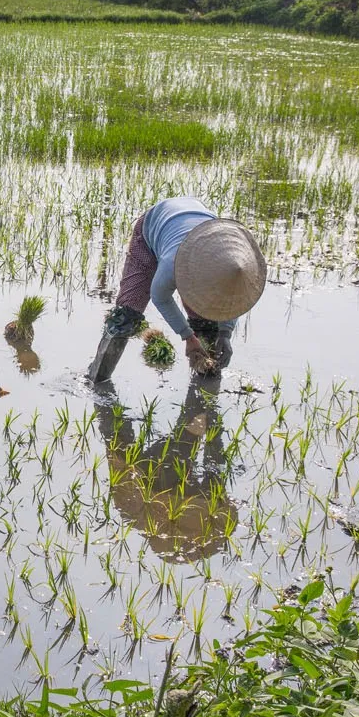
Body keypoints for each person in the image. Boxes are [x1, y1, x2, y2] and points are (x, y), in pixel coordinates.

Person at [87, 197, 266, 383]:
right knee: (126, 316)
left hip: (204, 230)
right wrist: (187, 336)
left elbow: (234, 298)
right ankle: (97, 379)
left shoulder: (237, 267)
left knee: (207, 325)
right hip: (153, 229)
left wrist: (225, 333)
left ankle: (206, 390)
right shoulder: (175, 262)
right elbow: (160, 296)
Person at [96, 374, 237, 563]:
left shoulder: (133, 510)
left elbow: (214, 466)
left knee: (189, 430)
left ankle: (202, 381)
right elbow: (214, 466)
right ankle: (202, 385)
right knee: (187, 432)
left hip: (150, 481)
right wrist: (212, 429)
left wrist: (210, 427)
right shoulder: (135, 507)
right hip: (148, 478)